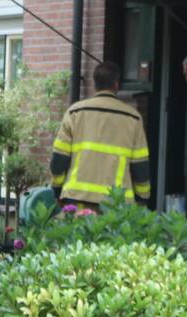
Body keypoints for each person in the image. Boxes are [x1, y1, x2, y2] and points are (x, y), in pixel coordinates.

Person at [50, 61, 151, 210]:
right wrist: (143, 197)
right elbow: (140, 165)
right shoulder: (133, 118)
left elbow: (59, 158)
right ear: (116, 84)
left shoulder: (74, 113)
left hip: (77, 197)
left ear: (94, 84)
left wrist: (57, 188)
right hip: (116, 203)